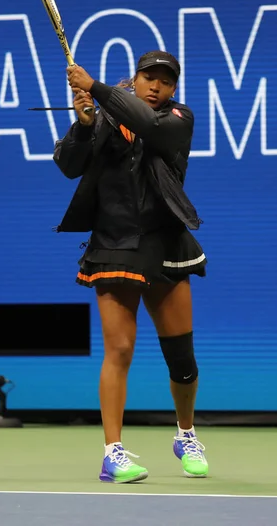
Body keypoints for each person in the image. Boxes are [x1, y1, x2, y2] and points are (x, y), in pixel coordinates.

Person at [53, 51, 208, 484]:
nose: (156, 86)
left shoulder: (179, 119)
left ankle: (185, 433)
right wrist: (85, 124)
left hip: (167, 244)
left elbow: (149, 126)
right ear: (136, 79)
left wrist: (98, 88)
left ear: (174, 89)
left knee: (182, 360)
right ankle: (113, 453)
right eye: (148, 77)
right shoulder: (104, 117)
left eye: (165, 80)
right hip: (115, 246)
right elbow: (67, 165)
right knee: (118, 350)